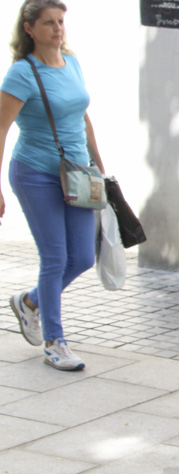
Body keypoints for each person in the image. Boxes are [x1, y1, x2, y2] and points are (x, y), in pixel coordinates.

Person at [0, 0, 106, 371]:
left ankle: (29, 302)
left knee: (81, 257)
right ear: (29, 28)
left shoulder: (71, 62)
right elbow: (0, 128)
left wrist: (100, 167)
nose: (58, 29)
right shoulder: (21, 73)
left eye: (61, 21)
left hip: (78, 174)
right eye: (49, 23)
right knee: (55, 257)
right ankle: (54, 342)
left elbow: (83, 118)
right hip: (36, 174)